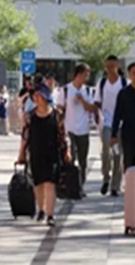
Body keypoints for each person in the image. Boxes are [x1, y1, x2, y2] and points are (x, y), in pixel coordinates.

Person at [25, 84, 71, 227]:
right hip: (36, 152)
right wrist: (21, 154)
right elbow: (25, 136)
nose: (36, 98)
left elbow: (63, 134)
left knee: (50, 183)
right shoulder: (30, 116)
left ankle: (50, 215)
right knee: (38, 183)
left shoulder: (56, 115)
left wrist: (67, 151)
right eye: (34, 96)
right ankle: (41, 210)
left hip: (52, 153)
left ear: (45, 97)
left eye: (38, 95)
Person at [57, 63, 95, 196]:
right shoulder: (65, 90)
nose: (87, 77)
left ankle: (80, 187)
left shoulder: (88, 91)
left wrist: (82, 100)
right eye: (85, 74)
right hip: (70, 129)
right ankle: (70, 187)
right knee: (70, 159)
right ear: (78, 75)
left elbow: (92, 108)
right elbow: (59, 109)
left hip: (84, 130)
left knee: (83, 161)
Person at [95, 55, 128, 197]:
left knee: (118, 154)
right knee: (106, 152)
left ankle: (115, 185)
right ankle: (105, 178)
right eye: (107, 67)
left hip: (121, 123)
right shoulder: (102, 83)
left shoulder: (124, 83)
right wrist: (96, 115)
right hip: (107, 122)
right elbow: (97, 102)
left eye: (112, 66)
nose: (109, 69)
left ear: (117, 67)